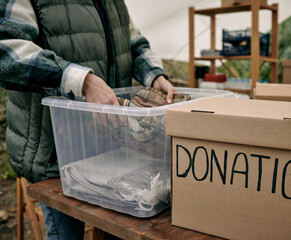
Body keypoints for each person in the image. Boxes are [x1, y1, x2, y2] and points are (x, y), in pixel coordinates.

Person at [0, 0, 177, 239]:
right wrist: (81, 80)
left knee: (119, 229)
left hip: (112, 149)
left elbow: (133, 43)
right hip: (56, 153)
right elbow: (7, 51)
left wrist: (155, 75)